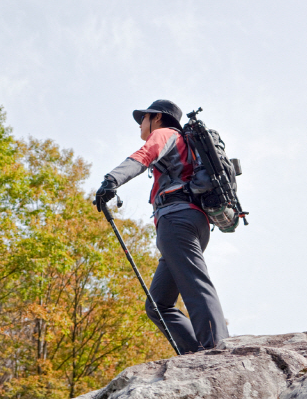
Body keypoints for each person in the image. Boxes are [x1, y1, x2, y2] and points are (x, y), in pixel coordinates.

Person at [95, 99, 229, 353]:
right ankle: (198, 352)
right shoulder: (185, 144)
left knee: (195, 283)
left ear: (156, 118)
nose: (140, 126)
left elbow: (144, 155)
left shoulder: (164, 133)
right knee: (158, 305)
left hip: (177, 219)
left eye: (142, 119)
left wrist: (111, 180)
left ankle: (217, 348)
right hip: (192, 221)